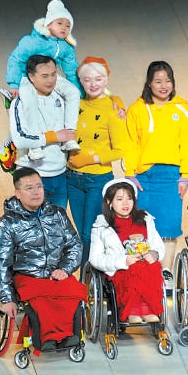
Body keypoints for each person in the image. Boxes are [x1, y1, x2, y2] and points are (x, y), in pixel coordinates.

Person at [0, 167, 86, 350]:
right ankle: (47, 337)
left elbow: (75, 245)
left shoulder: (57, 214)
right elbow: (0, 263)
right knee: (42, 298)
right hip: (26, 276)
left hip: (55, 273)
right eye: (29, 188)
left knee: (73, 292)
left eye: (39, 187)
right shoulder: (6, 224)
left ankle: (68, 336)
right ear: (17, 193)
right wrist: (6, 298)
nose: (36, 192)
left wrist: (65, 269)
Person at [125, 60, 188, 273]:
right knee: (141, 228)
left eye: (168, 80)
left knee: (169, 228)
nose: (164, 86)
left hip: (172, 176)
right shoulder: (136, 109)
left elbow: (187, 144)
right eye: (158, 81)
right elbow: (130, 143)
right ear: (149, 83)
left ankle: (167, 274)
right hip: (144, 177)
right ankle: (146, 275)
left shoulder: (182, 108)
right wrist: (130, 174)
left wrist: (185, 175)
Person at [66, 57, 131, 262]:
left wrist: (90, 158)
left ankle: (89, 277)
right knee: (80, 234)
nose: (93, 84)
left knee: (89, 233)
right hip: (72, 178)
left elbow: (121, 149)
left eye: (98, 79)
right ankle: (89, 274)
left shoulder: (113, 109)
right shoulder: (75, 104)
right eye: (87, 80)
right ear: (80, 81)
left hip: (98, 180)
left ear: (107, 79)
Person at [88, 179, 165, 324]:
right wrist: (122, 261)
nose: (125, 203)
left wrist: (154, 253)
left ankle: (148, 308)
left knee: (151, 267)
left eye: (129, 198)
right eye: (119, 199)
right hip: (120, 270)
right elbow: (95, 258)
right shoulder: (101, 226)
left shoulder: (145, 219)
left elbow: (158, 245)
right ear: (109, 202)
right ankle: (133, 310)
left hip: (146, 267)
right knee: (134, 269)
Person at [9, 55, 78, 208]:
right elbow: (20, 139)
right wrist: (54, 137)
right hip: (32, 176)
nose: (51, 80)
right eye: (45, 76)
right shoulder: (19, 103)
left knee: (57, 222)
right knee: (34, 222)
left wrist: (116, 104)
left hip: (60, 175)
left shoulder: (61, 97)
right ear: (31, 77)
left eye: (54, 74)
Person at [5, 0, 81, 108]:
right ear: (48, 25)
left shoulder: (66, 46)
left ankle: (72, 119)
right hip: (26, 76)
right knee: (32, 100)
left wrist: (79, 93)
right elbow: (16, 59)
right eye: (59, 23)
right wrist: (14, 84)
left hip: (48, 76)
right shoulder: (33, 41)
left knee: (73, 93)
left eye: (67, 26)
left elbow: (71, 70)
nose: (63, 28)